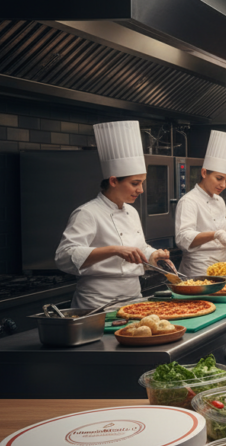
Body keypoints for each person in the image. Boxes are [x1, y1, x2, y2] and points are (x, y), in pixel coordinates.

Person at [55, 120, 171, 309]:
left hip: (134, 299)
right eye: (135, 183)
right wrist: (114, 250)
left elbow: (138, 247)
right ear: (114, 180)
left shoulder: (131, 211)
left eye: (142, 183)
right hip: (98, 305)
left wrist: (153, 254)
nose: (141, 190)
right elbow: (64, 257)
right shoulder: (87, 213)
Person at [174, 130, 226, 276]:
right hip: (198, 272)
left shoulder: (219, 200)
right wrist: (217, 234)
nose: (223, 185)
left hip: (223, 269)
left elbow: (219, 229)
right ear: (204, 173)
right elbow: (183, 239)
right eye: (219, 178)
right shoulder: (189, 201)